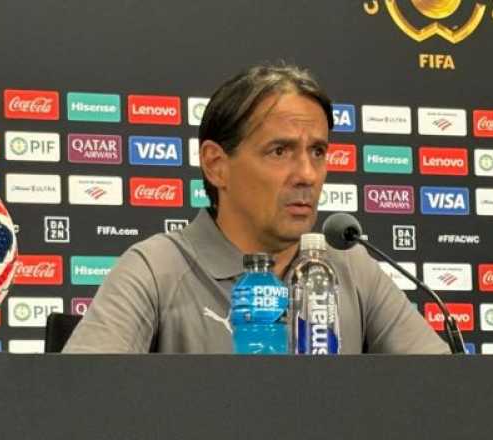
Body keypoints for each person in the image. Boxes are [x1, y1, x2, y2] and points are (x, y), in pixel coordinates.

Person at [63, 63, 450, 354]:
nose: (307, 174)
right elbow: (82, 401)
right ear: (216, 165)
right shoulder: (156, 268)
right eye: (280, 151)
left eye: (318, 152)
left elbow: (444, 391)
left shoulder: (350, 267)